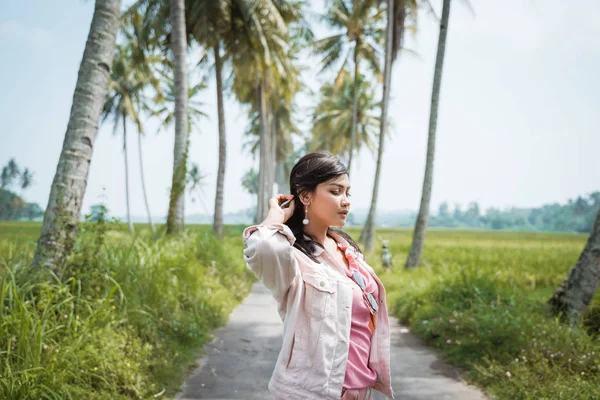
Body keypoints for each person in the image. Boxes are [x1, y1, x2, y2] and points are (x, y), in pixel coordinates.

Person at [242, 152, 394, 400]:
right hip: (313, 393)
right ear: (305, 195)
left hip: (361, 393)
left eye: (348, 193)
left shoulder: (348, 250)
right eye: (335, 191)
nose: (345, 201)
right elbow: (263, 248)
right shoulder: (293, 257)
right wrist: (275, 216)